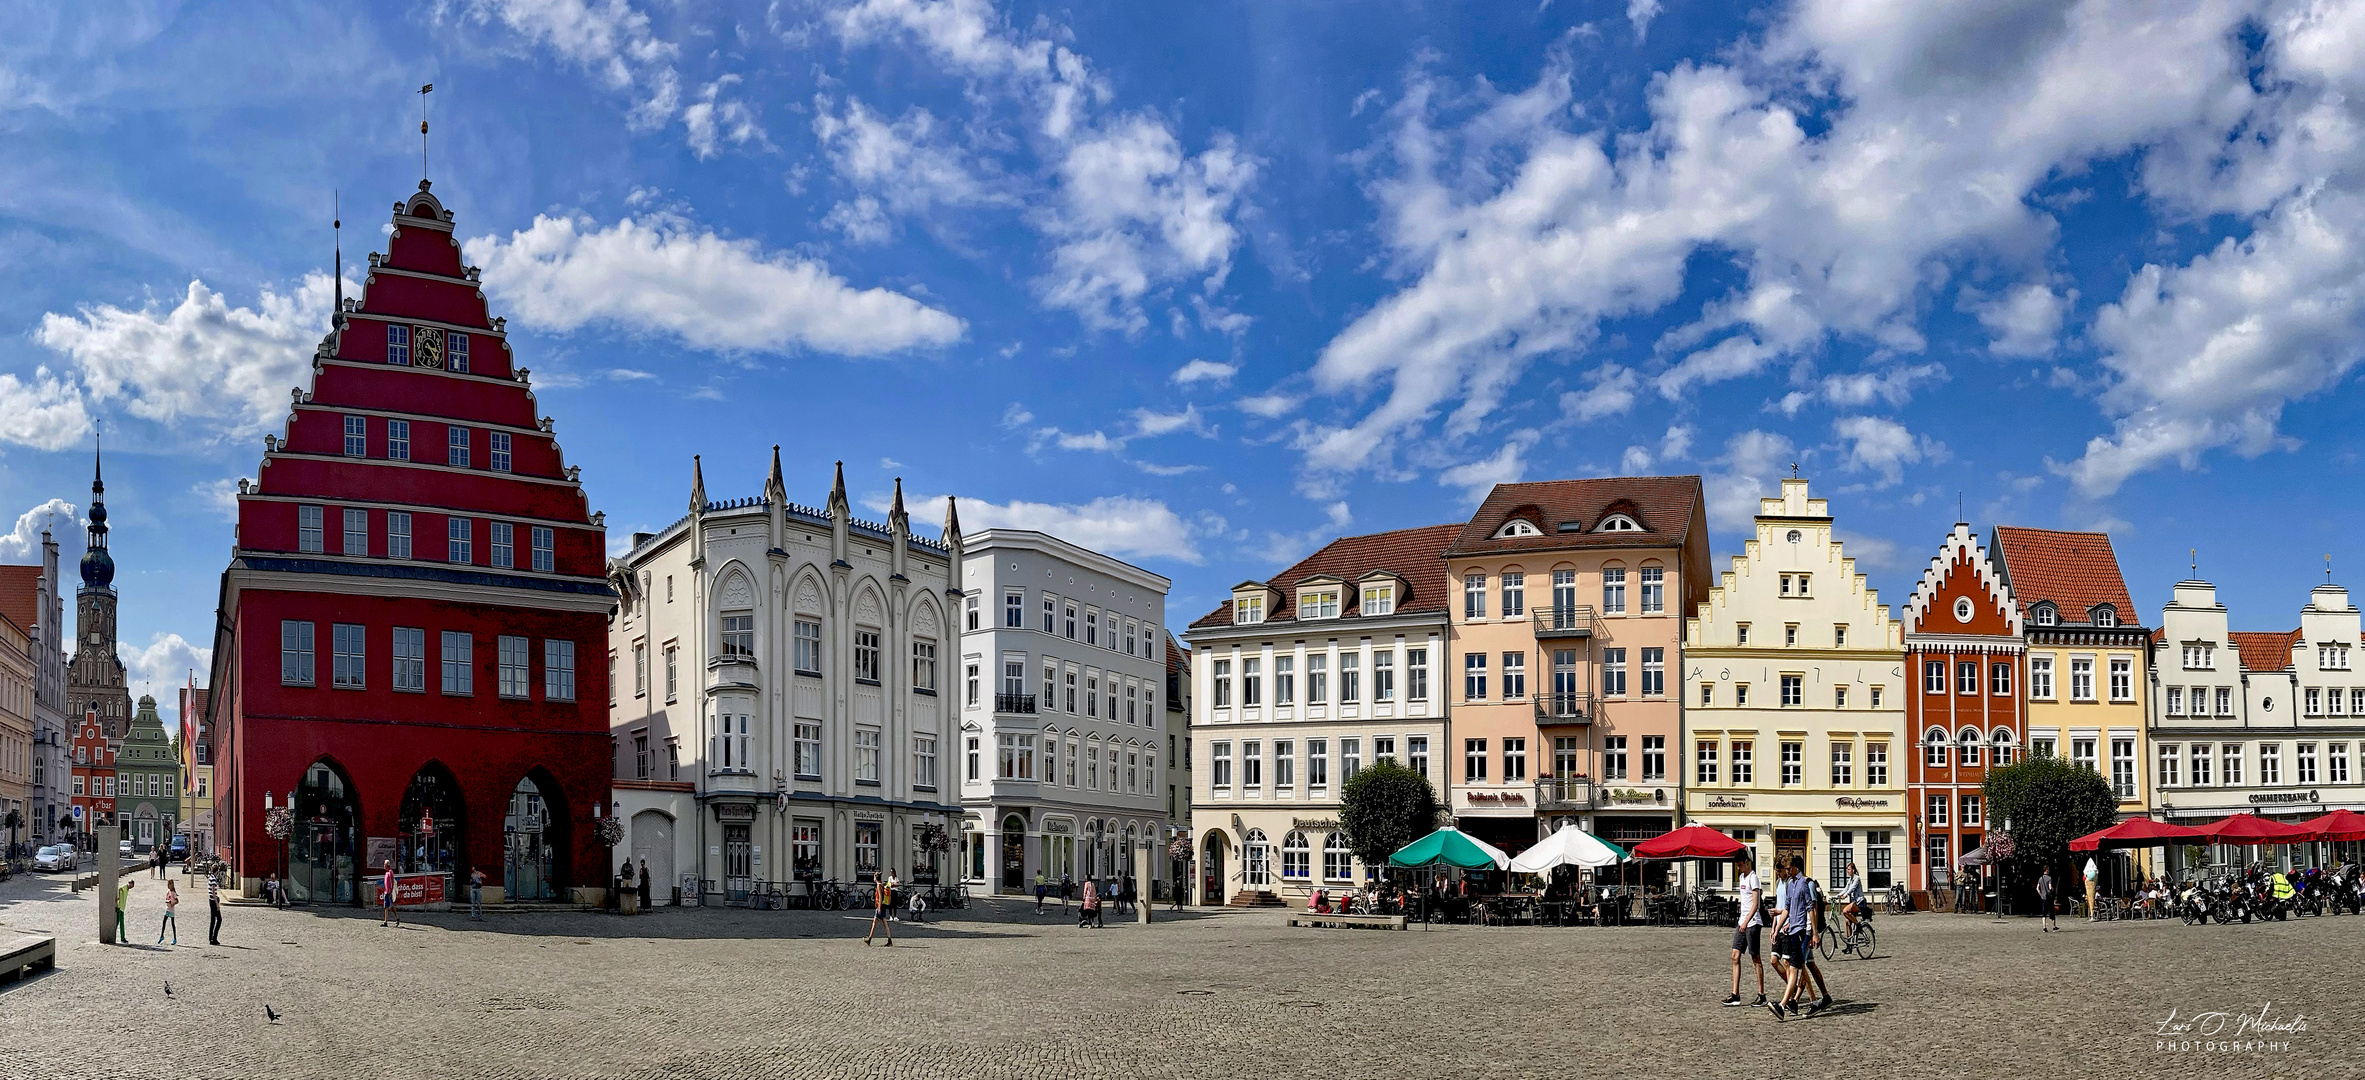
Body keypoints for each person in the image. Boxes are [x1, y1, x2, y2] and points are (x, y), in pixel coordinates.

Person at [1790, 856, 1834, 1013]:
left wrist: (1814, 933)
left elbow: (1813, 908)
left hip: (1807, 930)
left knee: (1801, 965)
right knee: (1809, 964)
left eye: (1790, 868)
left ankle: (1797, 1001)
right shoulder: (1795, 884)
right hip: (1804, 929)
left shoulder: (1807, 884)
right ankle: (1826, 996)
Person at [1764, 860, 1807, 1020]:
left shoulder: (1799, 883)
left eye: (1784, 869)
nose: (1780, 873)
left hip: (1795, 930)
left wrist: (1813, 932)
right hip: (1786, 927)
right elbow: (1784, 906)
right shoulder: (1782, 883)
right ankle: (1792, 995)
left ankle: (1788, 1001)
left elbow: (1808, 907)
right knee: (1776, 961)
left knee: (1795, 966)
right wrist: (1774, 927)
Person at [1723, 851, 1766, 1008]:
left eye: (1740, 865)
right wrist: (1741, 920)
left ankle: (1761, 994)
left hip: (1753, 922)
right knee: (1735, 955)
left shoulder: (1753, 878)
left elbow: (1756, 904)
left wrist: (1746, 921)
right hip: (1742, 921)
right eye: (1737, 865)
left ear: (1747, 862)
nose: (1738, 868)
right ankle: (1735, 994)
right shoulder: (1741, 877)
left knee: (1755, 958)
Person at [1839, 861, 1869, 939]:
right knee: (1847, 922)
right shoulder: (1850, 879)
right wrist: (1837, 896)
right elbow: (1846, 888)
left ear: (1853, 870)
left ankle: (1858, 924)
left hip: (1860, 903)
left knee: (1845, 910)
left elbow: (1852, 888)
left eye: (1849, 869)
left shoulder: (1857, 878)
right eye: (1847, 869)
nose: (1847, 871)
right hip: (1854, 903)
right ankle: (1849, 944)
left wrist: (1845, 895)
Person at [863, 874, 895, 946]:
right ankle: (889, 940)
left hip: (879, 906)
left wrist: (879, 908)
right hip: (882, 906)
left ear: (875, 878)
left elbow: (880, 897)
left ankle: (869, 939)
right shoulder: (882, 885)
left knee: (875, 923)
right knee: (884, 923)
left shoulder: (879, 886)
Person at [157, 879, 179, 945]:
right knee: (164, 922)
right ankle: (162, 935)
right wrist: (167, 901)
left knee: (172, 924)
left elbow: (177, 901)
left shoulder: (173, 893)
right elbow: (166, 899)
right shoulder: (168, 891)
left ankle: (175, 938)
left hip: (171, 910)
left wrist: (173, 903)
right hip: (167, 909)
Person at [380, 862, 401, 927]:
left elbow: (392, 881)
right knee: (386, 907)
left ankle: (397, 918)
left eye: (384, 865)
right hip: (386, 892)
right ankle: (385, 921)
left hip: (389, 892)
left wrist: (391, 891)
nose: (383, 866)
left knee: (391, 907)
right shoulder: (386, 873)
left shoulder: (390, 872)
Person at [2036, 867, 2057, 932]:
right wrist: (2053, 889)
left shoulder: (2040, 878)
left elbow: (2037, 888)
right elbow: (2050, 887)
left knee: (2044, 913)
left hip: (2044, 898)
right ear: (2046, 870)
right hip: (2049, 898)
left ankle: (2044, 927)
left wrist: (2041, 895)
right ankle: (2054, 926)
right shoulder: (2049, 878)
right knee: (2052, 912)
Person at [206, 869, 223, 946]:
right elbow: (213, 892)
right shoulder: (213, 879)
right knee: (219, 919)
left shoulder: (210, 877)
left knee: (213, 920)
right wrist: (217, 904)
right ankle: (214, 937)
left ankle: (211, 938)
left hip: (211, 900)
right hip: (213, 901)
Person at [2083, 856, 2099, 921]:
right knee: (2091, 898)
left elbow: (2084, 876)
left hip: (2088, 880)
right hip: (2091, 881)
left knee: (2090, 898)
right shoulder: (2094, 870)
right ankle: (2092, 914)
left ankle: (2091, 914)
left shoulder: (2087, 870)